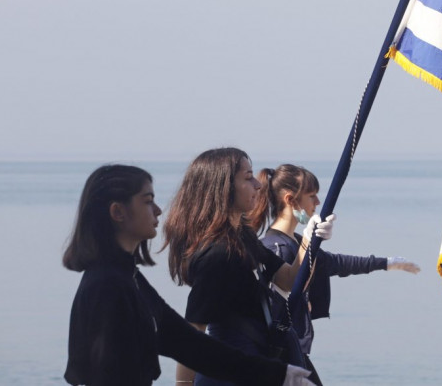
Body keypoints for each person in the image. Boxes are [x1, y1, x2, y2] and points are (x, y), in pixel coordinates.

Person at [63, 164, 315, 386]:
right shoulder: (108, 285)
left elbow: (186, 342)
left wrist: (277, 374)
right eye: (147, 200)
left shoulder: (129, 277)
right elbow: (106, 373)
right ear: (118, 212)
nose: (159, 210)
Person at [162, 148, 335, 386]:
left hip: (254, 361)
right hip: (229, 371)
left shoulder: (243, 237)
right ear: (223, 188)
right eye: (247, 178)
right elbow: (194, 328)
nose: (258, 185)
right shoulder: (218, 254)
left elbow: (289, 279)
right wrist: (183, 385)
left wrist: (309, 241)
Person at [248, 164, 419, 376]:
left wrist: (387, 263)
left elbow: (335, 263)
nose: (317, 203)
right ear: (291, 200)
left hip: (296, 352)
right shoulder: (276, 247)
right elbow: (282, 293)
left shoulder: (296, 241)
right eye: (311, 196)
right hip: (283, 356)